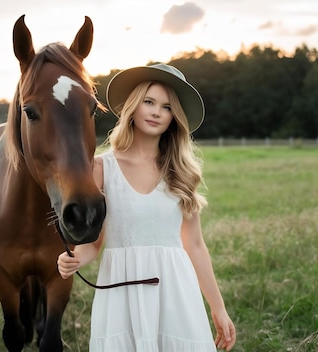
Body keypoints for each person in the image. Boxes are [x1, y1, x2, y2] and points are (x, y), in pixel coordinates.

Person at [57, 63, 236, 351]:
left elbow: (195, 245)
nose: (155, 112)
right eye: (148, 102)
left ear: (173, 118)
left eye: (166, 107)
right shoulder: (103, 168)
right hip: (121, 293)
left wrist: (218, 308)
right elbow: (94, 243)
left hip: (175, 292)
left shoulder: (181, 172)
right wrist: (74, 258)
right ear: (133, 107)